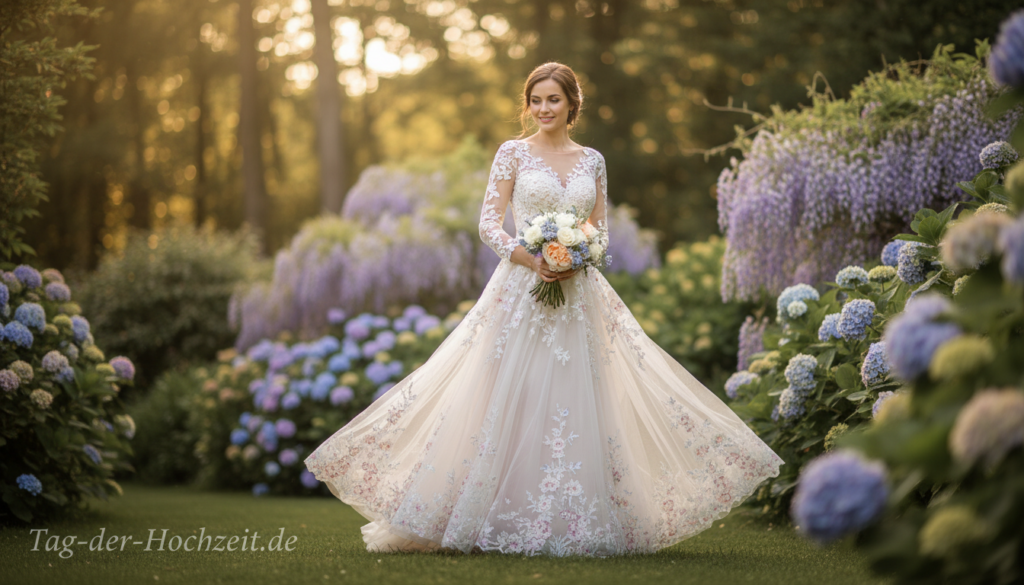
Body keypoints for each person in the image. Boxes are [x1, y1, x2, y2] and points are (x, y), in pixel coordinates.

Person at [304, 62, 784, 557]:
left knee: (581, 396)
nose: (543, 109)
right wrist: (531, 258)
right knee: (509, 394)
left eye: (553, 99)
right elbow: (489, 223)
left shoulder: (593, 159)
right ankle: (489, 509)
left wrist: (579, 255)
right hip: (519, 287)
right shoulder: (512, 152)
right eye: (536, 100)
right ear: (528, 105)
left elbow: (599, 226)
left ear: (572, 104)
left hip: (579, 293)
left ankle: (574, 516)